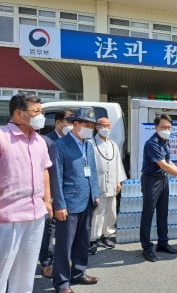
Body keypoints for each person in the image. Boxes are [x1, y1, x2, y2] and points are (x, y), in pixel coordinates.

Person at [0, 92, 52, 293]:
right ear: (19, 114)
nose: (41, 116)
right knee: (3, 270)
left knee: (25, 272)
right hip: (8, 218)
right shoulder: (3, 137)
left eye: (42, 111)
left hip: (36, 215)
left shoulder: (39, 140)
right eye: (36, 111)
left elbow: (44, 170)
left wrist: (47, 200)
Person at [49, 107, 100, 293]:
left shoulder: (88, 144)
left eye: (92, 125)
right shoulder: (59, 146)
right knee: (64, 246)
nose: (89, 128)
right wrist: (59, 204)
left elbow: (92, 171)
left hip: (87, 201)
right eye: (86, 124)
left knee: (82, 242)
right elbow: (56, 177)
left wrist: (95, 193)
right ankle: (62, 283)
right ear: (75, 124)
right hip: (68, 204)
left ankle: (79, 273)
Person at [140, 113, 177, 262]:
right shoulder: (152, 143)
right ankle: (147, 247)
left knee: (163, 213)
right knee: (148, 214)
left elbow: (168, 162)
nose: (166, 130)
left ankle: (163, 243)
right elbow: (162, 165)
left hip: (163, 180)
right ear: (156, 127)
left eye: (169, 127)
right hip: (151, 180)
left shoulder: (165, 141)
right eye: (163, 127)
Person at [40, 109, 74, 278]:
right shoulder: (47, 141)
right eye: (68, 121)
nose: (70, 125)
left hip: (66, 192)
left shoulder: (72, 141)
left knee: (63, 229)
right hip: (50, 192)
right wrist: (48, 198)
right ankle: (46, 262)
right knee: (49, 228)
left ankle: (61, 259)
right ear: (58, 122)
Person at [89, 117, 127, 255]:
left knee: (111, 211)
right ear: (97, 127)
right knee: (97, 213)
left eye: (108, 126)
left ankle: (107, 236)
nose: (106, 128)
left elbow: (118, 164)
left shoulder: (113, 144)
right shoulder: (90, 144)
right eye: (103, 125)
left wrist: (118, 181)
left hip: (112, 183)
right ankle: (93, 239)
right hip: (98, 184)